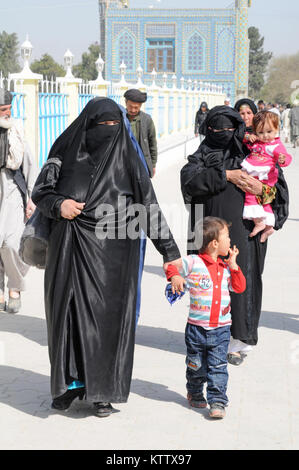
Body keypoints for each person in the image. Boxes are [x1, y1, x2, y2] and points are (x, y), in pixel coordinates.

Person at [31, 97, 181, 418]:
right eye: (103, 125)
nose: (109, 132)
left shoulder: (128, 156)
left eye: (115, 125)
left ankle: (103, 393)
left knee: (108, 324)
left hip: (115, 260)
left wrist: (170, 254)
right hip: (69, 252)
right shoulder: (65, 148)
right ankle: (70, 386)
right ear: (88, 124)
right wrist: (60, 205)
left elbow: (149, 207)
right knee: (68, 319)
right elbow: (41, 191)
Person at [180, 105, 289, 367]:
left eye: (229, 129)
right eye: (217, 130)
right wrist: (226, 175)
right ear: (207, 130)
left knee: (243, 281)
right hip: (209, 234)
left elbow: (276, 190)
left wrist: (268, 207)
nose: (224, 134)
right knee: (209, 283)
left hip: (243, 235)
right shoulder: (202, 154)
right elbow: (190, 181)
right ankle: (208, 337)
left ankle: (240, 340)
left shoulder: (252, 152)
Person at [165, 217, 246, 419]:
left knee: (218, 366)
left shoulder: (227, 267)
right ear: (215, 243)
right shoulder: (193, 262)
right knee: (196, 365)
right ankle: (194, 391)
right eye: (227, 236)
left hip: (221, 329)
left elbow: (240, 287)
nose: (230, 240)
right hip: (196, 328)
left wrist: (235, 266)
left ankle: (217, 400)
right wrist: (175, 276)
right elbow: (170, 265)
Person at [0, 88, 36, 314]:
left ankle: (15, 285)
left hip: (12, 189)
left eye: (7, 110)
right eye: (2, 110)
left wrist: (32, 198)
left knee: (11, 243)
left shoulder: (16, 130)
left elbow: (30, 165)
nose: (6, 114)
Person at [241, 111, 292, 242]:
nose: (265, 136)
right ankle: (269, 226)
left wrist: (282, 159)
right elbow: (243, 142)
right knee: (265, 202)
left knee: (250, 195)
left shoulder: (275, 145)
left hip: (264, 175)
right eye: (261, 132)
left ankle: (259, 222)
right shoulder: (258, 142)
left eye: (269, 131)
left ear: (276, 129)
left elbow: (286, 158)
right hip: (257, 172)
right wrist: (247, 137)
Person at [124, 88, 157, 178]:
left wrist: (153, 164)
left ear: (140, 106)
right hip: (124, 162)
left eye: (136, 107)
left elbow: (152, 142)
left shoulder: (147, 120)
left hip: (142, 162)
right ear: (125, 103)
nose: (133, 110)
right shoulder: (120, 118)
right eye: (130, 106)